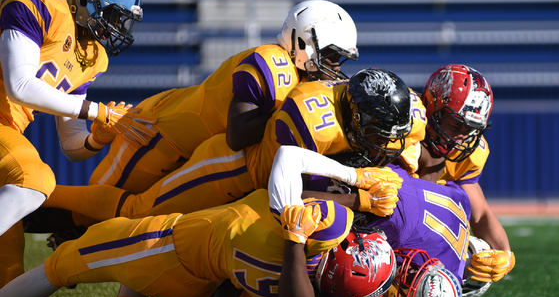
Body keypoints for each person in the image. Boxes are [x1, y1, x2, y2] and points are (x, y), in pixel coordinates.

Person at [0, 146, 401, 297]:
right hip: (206, 278)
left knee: (62, 264)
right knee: (120, 234)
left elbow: (287, 159)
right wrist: (359, 202)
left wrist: (356, 182)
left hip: (174, 250)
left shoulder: (312, 230)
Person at [40, 68, 422, 222]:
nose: (385, 143)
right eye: (376, 133)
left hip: (253, 180)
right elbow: (294, 187)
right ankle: (43, 197)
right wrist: (359, 194)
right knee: (138, 211)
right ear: (353, 116)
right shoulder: (312, 119)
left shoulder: (365, 105)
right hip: (229, 171)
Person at [0, 0, 156, 288]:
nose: (117, 27)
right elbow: (20, 85)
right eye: (114, 15)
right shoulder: (40, 1)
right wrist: (97, 111)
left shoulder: (91, 56)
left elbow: (71, 144)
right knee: (34, 177)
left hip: (8, 132)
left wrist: (97, 138)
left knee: (8, 278)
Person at [396, 64, 514, 297]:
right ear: (431, 108)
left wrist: (506, 254)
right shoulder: (402, 131)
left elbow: (481, 214)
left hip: (417, 245)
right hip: (383, 232)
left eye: (470, 129)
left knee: (480, 252)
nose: (462, 137)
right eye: (455, 125)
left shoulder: (465, 155)